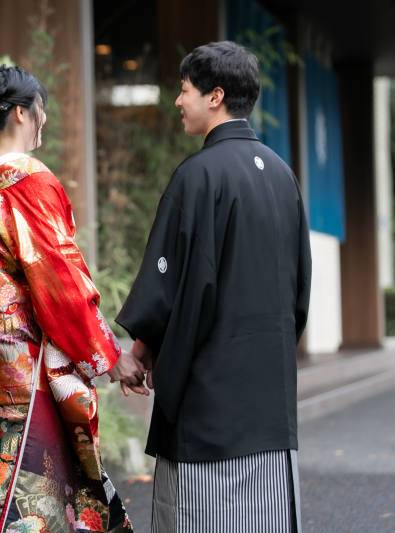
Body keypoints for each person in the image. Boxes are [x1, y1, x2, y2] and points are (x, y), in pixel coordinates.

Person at [0, 65, 141, 533]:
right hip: (24, 384)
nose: (44, 119)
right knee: (36, 507)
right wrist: (109, 356)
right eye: (41, 109)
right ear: (22, 112)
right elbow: (62, 284)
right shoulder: (31, 183)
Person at [114, 42, 311, 532]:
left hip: (209, 412)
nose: (179, 102)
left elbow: (171, 284)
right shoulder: (284, 176)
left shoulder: (199, 176)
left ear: (215, 96)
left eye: (185, 91)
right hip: (270, 407)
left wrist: (138, 351)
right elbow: (300, 291)